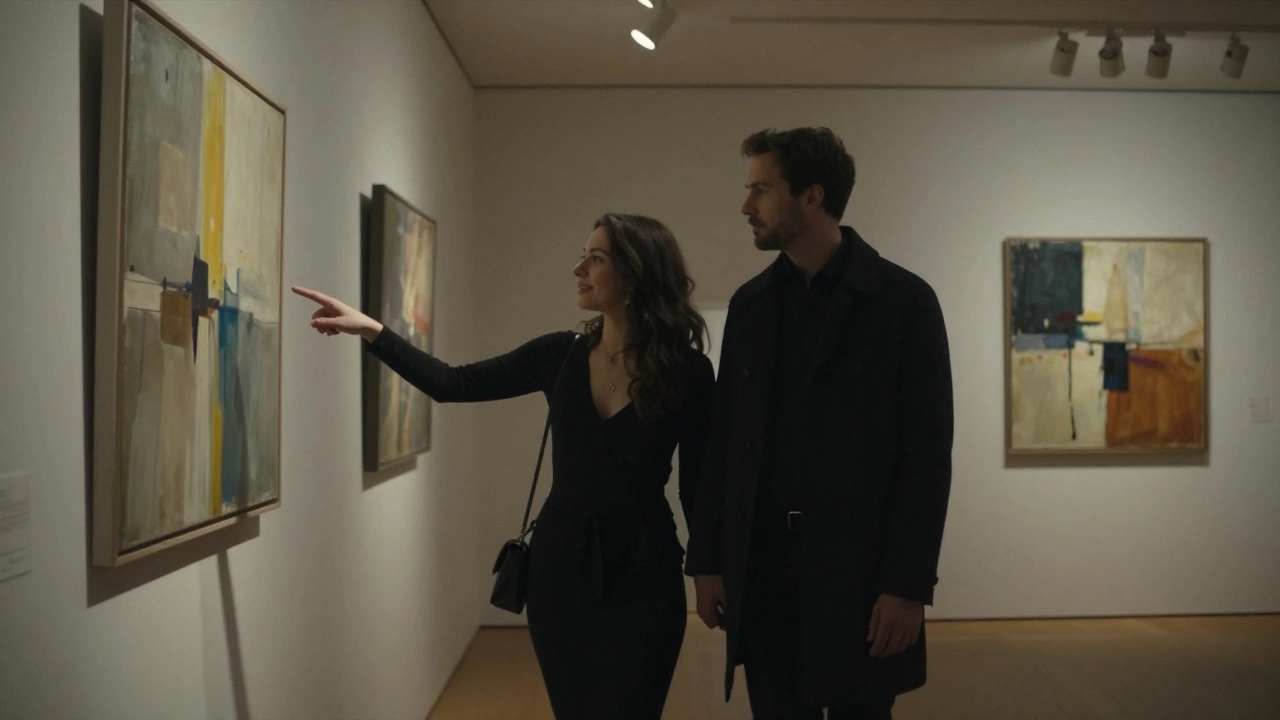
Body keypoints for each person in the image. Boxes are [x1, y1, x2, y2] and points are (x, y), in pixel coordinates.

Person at [293, 213, 716, 720]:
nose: (578, 268)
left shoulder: (687, 371)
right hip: (559, 573)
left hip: (645, 573)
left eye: (596, 258)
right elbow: (453, 384)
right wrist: (372, 331)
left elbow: (702, 480)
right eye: (582, 254)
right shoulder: (557, 355)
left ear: (638, 272)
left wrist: (708, 569)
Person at [685, 127, 954, 719]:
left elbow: (927, 457)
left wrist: (908, 586)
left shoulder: (904, 303)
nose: (746, 206)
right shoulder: (751, 306)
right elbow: (725, 443)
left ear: (811, 195)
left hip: (860, 575)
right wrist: (706, 560)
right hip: (766, 575)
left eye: (761, 190)